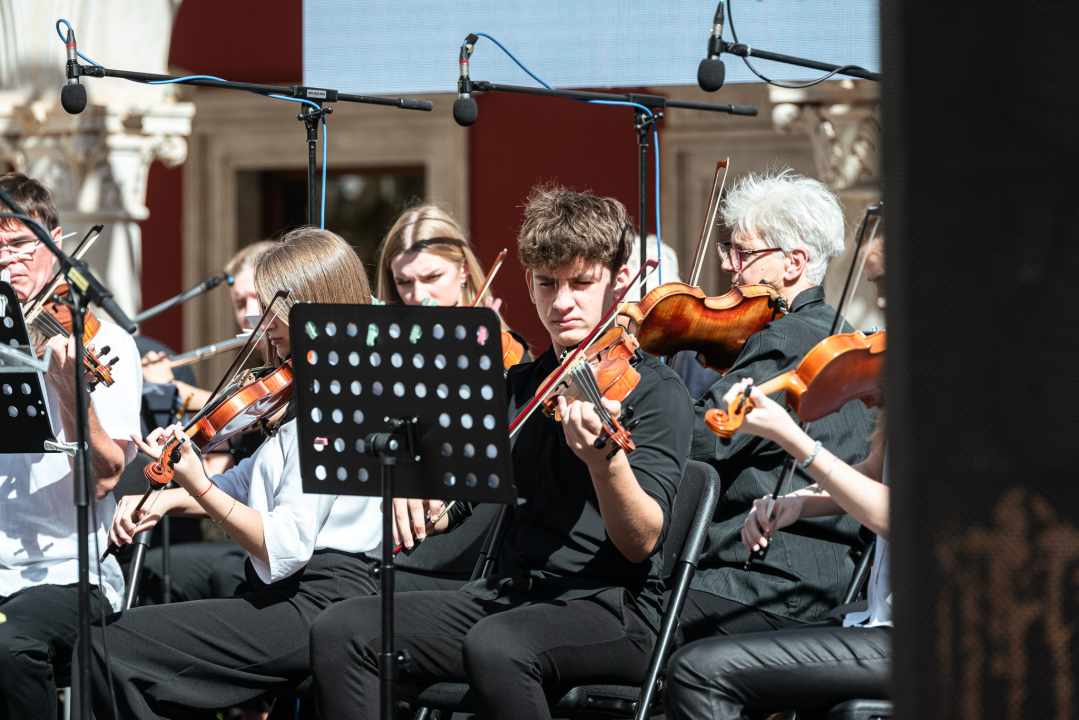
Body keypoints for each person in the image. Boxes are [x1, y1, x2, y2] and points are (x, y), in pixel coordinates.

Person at [309, 188, 694, 720]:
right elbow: (460, 499)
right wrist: (424, 495)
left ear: (619, 279)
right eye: (546, 284)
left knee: (498, 644)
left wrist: (606, 463)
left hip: (611, 605)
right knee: (344, 628)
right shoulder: (520, 385)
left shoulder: (655, 391)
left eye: (582, 284)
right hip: (511, 594)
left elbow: (640, 542)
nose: (562, 303)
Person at [73, 227, 383, 719]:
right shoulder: (304, 390)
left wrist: (197, 484)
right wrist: (168, 495)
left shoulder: (338, 401)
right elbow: (246, 482)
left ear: (318, 303)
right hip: (291, 592)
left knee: (109, 647)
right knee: (122, 649)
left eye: (274, 309)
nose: (261, 322)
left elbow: (282, 546)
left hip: (323, 602)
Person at [664, 228, 889, 719]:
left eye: (891, 283)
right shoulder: (903, 373)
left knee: (696, 669)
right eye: (875, 284)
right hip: (864, 614)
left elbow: (899, 515)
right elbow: (874, 474)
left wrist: (797, 442)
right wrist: (796, 504)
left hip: (910, 636)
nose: (882, 301)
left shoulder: (957, 384)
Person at [684, 170, 878, 641]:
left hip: (766, 581)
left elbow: (702, 440)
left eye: (744, 253)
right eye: (729, 251)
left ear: (793, 263)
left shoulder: (786, 339)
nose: (731, 266)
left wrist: (642, 397)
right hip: (821, 579)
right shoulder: (840, 332)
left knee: (622, 613)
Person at [0, 172, 142, 719]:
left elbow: (103, 479)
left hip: (69, 574)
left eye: (19, 244)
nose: (7, 261)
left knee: (8, 646)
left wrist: (71, 398)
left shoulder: (103, 344)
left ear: (57, 244)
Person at [375, 204, 530, 592]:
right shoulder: (390, 350)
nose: (418, 295)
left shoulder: (501, 351)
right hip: (392, 515)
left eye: (432, 277)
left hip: (464, 528)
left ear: (463, 269)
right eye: (403, 282)